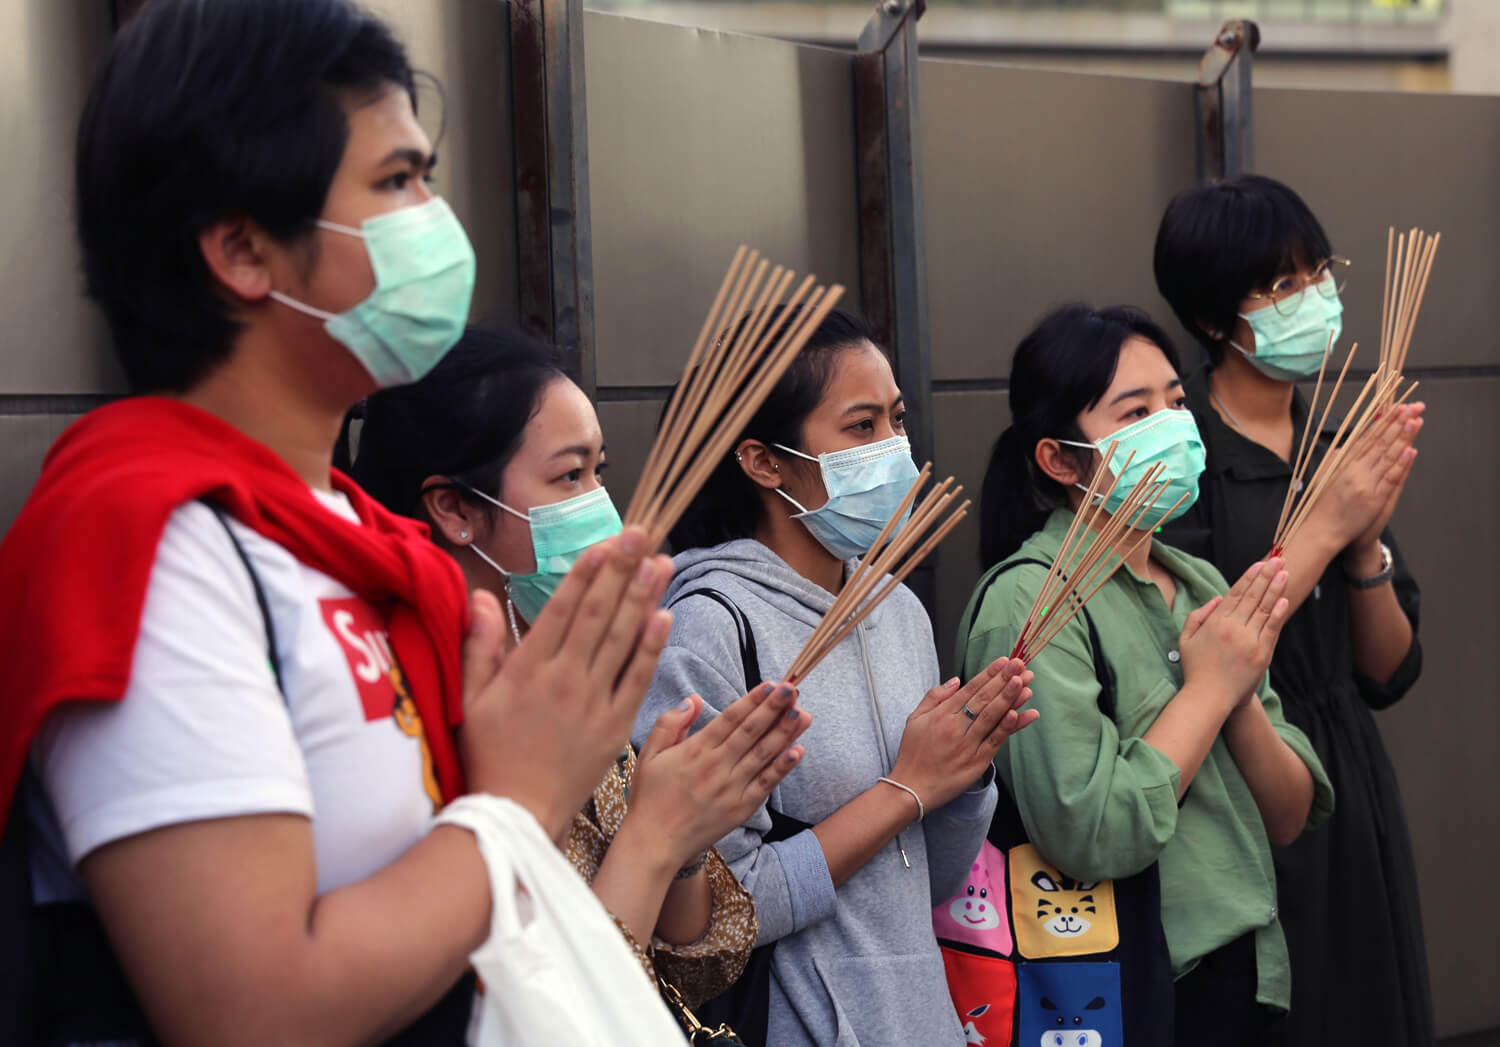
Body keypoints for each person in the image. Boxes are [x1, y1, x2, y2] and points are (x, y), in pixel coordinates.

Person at [0, 2, 679, 1043]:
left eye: (428, 177)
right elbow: (253, 1011)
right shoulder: (152, 544)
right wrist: (522, 802)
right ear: (242, 250)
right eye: (397, 183)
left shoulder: (373, 550)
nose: (434, 222)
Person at [352, 325, 816, 1004]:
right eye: (570, 475)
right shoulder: (408, 706)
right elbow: (544, 1002)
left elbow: (690, 968)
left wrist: (683, 840)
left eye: (601, 471)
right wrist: (652, 838)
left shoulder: (565, 666)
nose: (601, 504)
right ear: (455, 508)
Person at [636, 306, 1037, 1047]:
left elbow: (926, 881)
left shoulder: (899, 610)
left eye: (897, 419)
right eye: (861, 428)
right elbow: (714, 913)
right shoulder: (709, 626)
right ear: (763, 461)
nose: (893, 450)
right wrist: (906, 788)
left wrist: (963, 774)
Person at [963, 304, 1334, 1046]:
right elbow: (1092, 831)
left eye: (1174, 400)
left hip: (1249, 967)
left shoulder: (1194, 578)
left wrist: (1233, 695)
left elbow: (1292, 811)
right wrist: (1206, 689)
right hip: (1134, 988)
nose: (1172, 424)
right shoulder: (1029, 603)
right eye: (1135, 411)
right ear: (1060, 460)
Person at [1154, 175, 1433, 1047]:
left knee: (1372, 1004)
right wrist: (1329, 521)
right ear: (1211, 321)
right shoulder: (1179, 455)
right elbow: (1201, 642)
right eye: (1279, 286)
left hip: (1348, 768)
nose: (1312, 299)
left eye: (1318, 273)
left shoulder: (1333, 444)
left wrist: (1363, 549)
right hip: (1239, 780)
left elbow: (1388, 670)